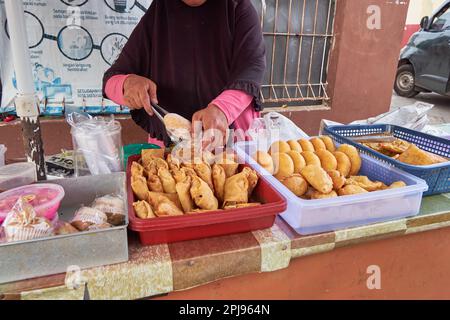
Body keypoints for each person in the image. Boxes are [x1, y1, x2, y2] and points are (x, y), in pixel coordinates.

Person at [103, 0, 266, 147]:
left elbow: (251, 69)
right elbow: (111, 80)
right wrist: (127, 84)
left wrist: (222, 109)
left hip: (232, 143)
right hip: (171, 147)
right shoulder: (158, 13)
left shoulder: (238, 7)